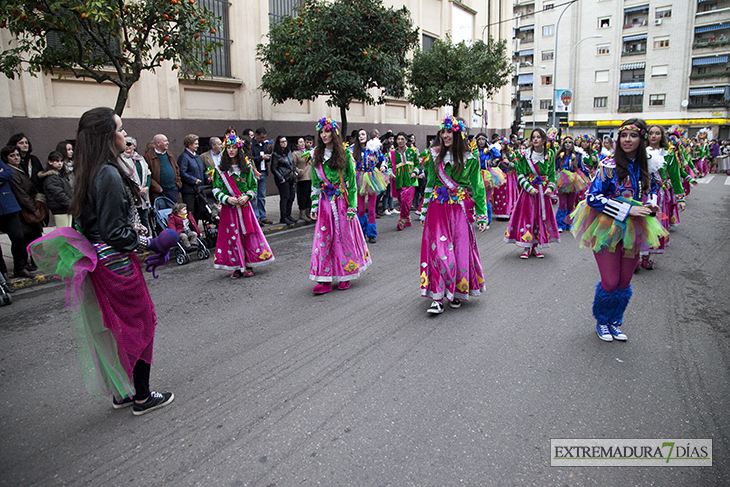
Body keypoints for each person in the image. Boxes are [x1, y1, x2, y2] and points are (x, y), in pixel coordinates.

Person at [29, 107, 178, 414]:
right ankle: (141, 396)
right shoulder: (108, 173)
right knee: (141, 323)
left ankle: (123, 391)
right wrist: (149, 242)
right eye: (120, 129)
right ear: (106, 136)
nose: (124, 134)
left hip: (103, 262)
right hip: (116, 263)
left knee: (117, 325)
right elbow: (114, 231)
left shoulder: (90, 170)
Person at [570, 119, 668, 342]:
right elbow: (592, 197)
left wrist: (651, 204)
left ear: (641, 139)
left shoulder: (649, 165)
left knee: (625, 282)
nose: (627, 140)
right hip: (607, 226)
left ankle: (616, 320)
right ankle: (602, 321)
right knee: (611, 281)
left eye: (633, 136)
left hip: (637, 228)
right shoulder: (608, 164)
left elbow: (652, 190)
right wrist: (626, 210)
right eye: (624, 135)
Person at [419, 116, 488, 315]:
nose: (446, 135)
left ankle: (458, 291)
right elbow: (430, 184)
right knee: (439, 250)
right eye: (443, 132)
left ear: (458, 135)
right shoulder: (434, 156)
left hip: (460, 210)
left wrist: (482, 215)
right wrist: (423, 210)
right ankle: (438, 297)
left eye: (450, 132)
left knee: (459, 251)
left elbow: (478, 187)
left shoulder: (471, 158)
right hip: (438, 208)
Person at [309, 117, 371, 293]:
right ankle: (325, 279)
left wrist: (352, 206)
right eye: (321, 132)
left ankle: (346, 274)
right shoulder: (315, 155)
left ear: (334, 133)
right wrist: (314, 206)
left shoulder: (345, 154)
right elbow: (315, 184)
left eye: (327, 131)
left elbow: (352, 183)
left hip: (342, 203)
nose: (324, 135)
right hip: (325, 205)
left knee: (343, 238)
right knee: (324, 241)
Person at [212, 134, 275, 278]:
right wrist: (227, 199)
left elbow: (253, 187)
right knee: (232, 237)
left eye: (234, 147)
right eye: (228, 147)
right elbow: (216, 189)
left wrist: (247, 196)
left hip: (245, 208)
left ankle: (249, 263)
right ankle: (236, 265)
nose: (231, 150)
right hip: (229, 210)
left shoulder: (246, 167)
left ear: (238, 149)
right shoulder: (219, 170)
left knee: (247, 235)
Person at [504, 128, 560, 258]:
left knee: (539, 218)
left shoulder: (550, 154)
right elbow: (520, 173)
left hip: (542, 192)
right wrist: (528, 188)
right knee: (527, 217)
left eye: (538, 137)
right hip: (529, 193)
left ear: (544, 140)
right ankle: (525, 247)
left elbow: (552, 174)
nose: (535, 139)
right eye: (533, 137)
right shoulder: (525, 155)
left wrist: (550, 187)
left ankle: (535, 246)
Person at [3, 145, 44, 275]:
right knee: (24, 237)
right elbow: (20, 193)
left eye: (17, 155)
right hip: (23, 209)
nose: (16, 157)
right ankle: (23, 264)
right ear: (6, 158)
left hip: (27, 205)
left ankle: (32, 262)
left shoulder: (18, 169)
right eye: (12, 155)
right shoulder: (12, 171)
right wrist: (33, 208)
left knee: (31, 236)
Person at [351, 128, 388, 243]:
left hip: (372, 178)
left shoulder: (373, 148)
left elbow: (383, 159)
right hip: (359, 178)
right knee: (361, 209)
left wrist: (383, 166)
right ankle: (361, 232)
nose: (361, 136)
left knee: (372, 209)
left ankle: (371, 233)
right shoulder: (352, 149)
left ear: (367, 136)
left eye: (363, 134)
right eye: (359, 135)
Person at [0, 146, 31, 279]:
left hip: (8, 205)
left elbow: (8, 173)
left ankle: (20, 267)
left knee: (18, 236)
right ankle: (2, 271)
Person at [554, 135, 589, 233]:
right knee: (562, 203)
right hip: (562, 179)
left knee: (570, 204)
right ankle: (560, 224)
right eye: (566, 142)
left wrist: (587, 177)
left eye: (570, 142)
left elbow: (580, 167)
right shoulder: (559, 156)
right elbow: (555, 168)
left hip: (573, 181)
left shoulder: (577, 155)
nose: (568, 144)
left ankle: (569, 223)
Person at [118, 136, 152, 236]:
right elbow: (125, 176)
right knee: (133, 219)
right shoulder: (121, 159)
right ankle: (136, 240)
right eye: (125, 144)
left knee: (144, 218)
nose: (127, 146)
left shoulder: (140, 159)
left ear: (134, 146)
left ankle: (147, 240)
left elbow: (148, 174)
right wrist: (136, 189)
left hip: (144, 193)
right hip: (132, 193)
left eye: (129, 144)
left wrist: (147, 187)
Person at [389, 132, 421, 231]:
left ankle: (402, 220)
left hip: (410, 180)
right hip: (398, 181)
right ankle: (407, 218)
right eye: (398, 139)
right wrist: (390, 173)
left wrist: (415, 172)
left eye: (402, 139)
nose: (400, 141)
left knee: (405, 201)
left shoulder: (413, 152)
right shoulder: (392, 154)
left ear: (406, 141)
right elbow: (389, 165)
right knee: (401, 201)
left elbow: (417, 164)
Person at [177, 134, 208, 221]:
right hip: (189, 191)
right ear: (189, 144)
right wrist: (194, 180)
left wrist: (207, 177)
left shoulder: (197, 157)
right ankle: (192, 231)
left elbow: (203, 170)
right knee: (191, 212)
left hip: (199, 189)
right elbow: (182, 173)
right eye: (195, 144)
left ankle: (197, 230)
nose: (197, 146)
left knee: (198, 212)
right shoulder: (184, 157)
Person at [39, 151, 73, 227]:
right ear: (50, 162)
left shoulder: (60, 175)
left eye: (61, 161)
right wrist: (71, 204)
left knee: (67, 233)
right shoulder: (52, 177)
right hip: (60, 209)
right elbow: (58, 194)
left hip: (65, 208)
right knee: (63, 234)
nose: (60, 163)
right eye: (57, 161)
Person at [144, 134, 181, 203]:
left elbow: (177, 170)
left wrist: (178, 184)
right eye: (165, 141)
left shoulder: (169, 154)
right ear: (158, 143)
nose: (168, 143)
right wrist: (156, 187)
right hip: (159, 193)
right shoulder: (148, 157)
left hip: (173, 190)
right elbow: (147, 175)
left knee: (174, 212)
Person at [271, 135, 298, 225]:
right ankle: (283, 217)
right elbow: (274, 168)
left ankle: (288, 214)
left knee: (291, 197)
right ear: (279, 143)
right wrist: (281, 178)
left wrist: (294, 172)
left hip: (291, 177)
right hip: (283, 178)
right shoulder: (276, 154)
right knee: (285, 197)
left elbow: (292, 163)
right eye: (282, 142)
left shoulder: (288, 152)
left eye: (285, 141)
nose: (284, 143)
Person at [251, 127, 272, 225]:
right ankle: (256, 217)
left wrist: (267, 157)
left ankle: (262, 216)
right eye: (261, 137)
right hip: (255, 173)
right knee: (254, 196)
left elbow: (267, 156)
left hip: (263, 171)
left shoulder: (263, 145)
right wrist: (261, 157)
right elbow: (250, 159)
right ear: (256, 135)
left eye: (264, 138)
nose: (263, 139)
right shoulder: (252, 145)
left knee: (262, 196)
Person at [293, 136, 313, 223]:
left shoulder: (309, 152)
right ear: (297, 144)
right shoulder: (295, 153)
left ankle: (308, 212)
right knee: (303, 195)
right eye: (300, 142)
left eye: (303, 142)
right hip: (303, 177)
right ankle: (302, 213)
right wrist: (298, 170)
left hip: (310, 176)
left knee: (309, 195)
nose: (302, 144)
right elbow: (293, 165)